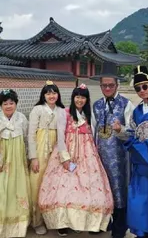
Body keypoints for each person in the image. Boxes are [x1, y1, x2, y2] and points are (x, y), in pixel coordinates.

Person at [39, 84, 114, 236]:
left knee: (89, 187)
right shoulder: (64, 113)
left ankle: (85, 221)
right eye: (77, 96)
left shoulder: (88, 114)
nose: (80, 100)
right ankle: (62, 223)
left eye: (83, 97)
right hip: (68, 152)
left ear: (87, 99)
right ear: (73, 98)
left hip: (87, 155)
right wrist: (65, 158)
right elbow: (60, 137)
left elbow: (94, 135)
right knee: (63, 188)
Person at [93, 65, 134, 238]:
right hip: (100, 158)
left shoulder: (126, 104)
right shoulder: (96, 105)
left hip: (119, 158)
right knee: (101, 190)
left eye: (111, 85)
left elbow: (132, 132)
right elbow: (93, 131)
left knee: (119, 191)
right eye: (104, 85)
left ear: (117, 85)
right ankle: (103, 222)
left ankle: (119, 227)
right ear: (101, 86)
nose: (108, 88)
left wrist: (120, 130)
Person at [28, 80, 66, 235]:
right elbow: (30, 134)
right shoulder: (37, 110)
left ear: (58, 95)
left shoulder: (62, 111)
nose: (51, 95)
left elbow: (63, 135)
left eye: (54, 92)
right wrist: (33, 157)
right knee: (36, 183)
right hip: (40, 147)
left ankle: (52, 218)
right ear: (43, 95)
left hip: (55, 148)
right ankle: (37, 220)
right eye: (48, 93)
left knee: (54, 184)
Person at [122, 66, 148, 238]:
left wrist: (147, 145)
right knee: (141, 200)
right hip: (142, 162)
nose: (141, 91)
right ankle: (143, 232)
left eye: (144, 86)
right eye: (137, 88)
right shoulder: (136, 111)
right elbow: (131, 133)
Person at [0, 89, 30, 238]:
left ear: (16, 104)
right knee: (3, 189)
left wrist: (30, 157)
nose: (8, 106)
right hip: (3, 160)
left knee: (18, 188)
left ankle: (19, 226)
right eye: (5, 103)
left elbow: (27, 139)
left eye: (11, 103)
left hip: (18, 160)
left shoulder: (22, 118)